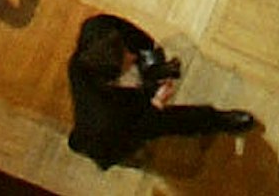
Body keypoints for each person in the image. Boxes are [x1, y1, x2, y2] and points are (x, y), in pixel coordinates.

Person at [68, 15, 260, 163]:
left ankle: (79, 141)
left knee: (87, 133)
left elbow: (134, 38)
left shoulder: (95, 34)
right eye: (126, 57)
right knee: (175, 120)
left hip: (111, 107)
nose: (132, 56)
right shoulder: (107, 118)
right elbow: (140, 128)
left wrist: (152, 61)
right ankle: (218, 121)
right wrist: (157, 104)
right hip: (114, 133)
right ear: (112, 72)